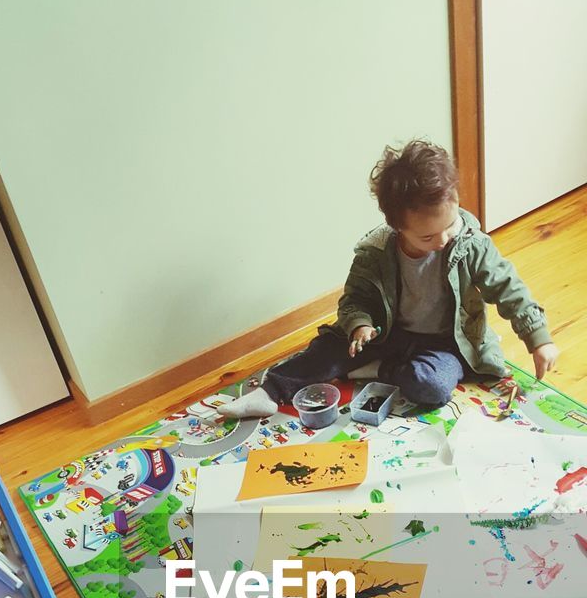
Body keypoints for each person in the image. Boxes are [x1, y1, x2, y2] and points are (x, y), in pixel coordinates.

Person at [219, 140, 559, 418]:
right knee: (325, 350)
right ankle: (270, 391)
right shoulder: (376, 251)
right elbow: (353, 299)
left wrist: (538, 338)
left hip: (444, 343)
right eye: (427, 238)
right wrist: (359, 325)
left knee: (433, 387)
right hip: (386, 332)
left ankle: (378, 369)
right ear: (398, 228)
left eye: (449, 225)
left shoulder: (471, 246)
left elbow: (509, 288)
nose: (442, 240)